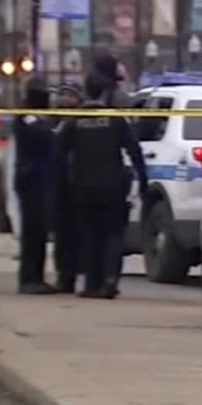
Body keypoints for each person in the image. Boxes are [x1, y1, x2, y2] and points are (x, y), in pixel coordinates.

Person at [59, 72, 148, 299]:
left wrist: (61, 183)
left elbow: (58, 153)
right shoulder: (115, 119)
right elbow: (134, 150)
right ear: (105, 92)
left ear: (86, 92)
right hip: (113, 185)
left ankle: (92, 283)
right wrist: (142, 179)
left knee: (89, 235)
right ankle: (110, 281)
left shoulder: (75, 121)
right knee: (113, 234)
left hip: (83, 185)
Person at [10, 78, 58, 294]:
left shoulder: (37, 116)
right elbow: (42, 136)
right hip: (31, 179)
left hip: (40, 178)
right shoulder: (27, 116)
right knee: (32, 230)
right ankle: (29, 278)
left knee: (39, 231)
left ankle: (37, 276)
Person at [50, 80, 86, 293]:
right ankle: (64, 276)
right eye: (62, 94)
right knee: (62, 235)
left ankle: (74, 274)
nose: (64, 99)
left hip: (77, 183)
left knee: (76, 234)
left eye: (70, 95)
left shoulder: (81, 123)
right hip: (58, 185)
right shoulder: (51, 123)